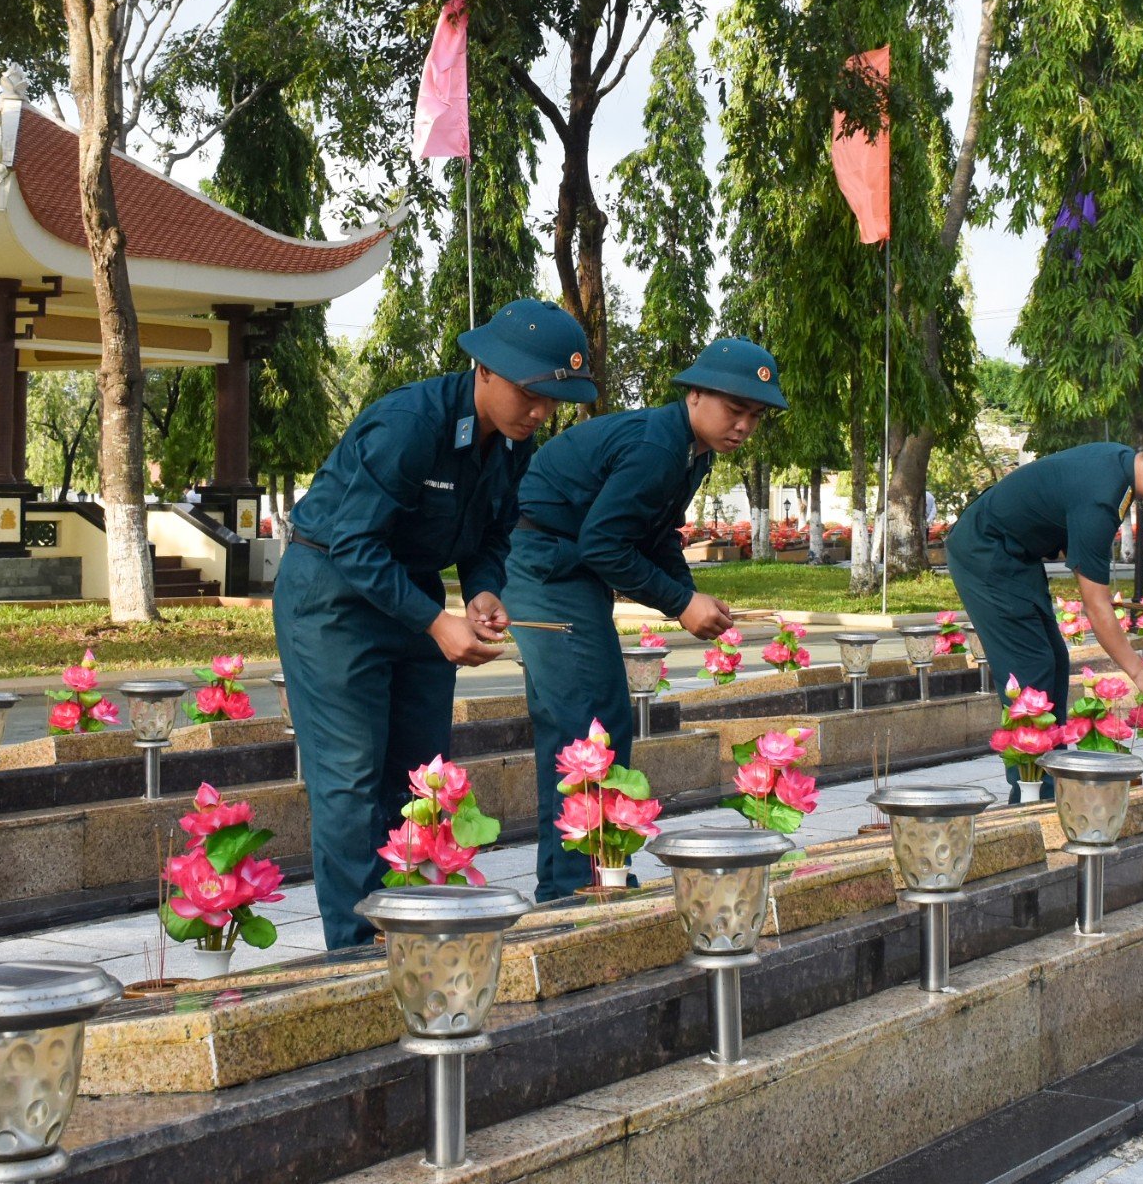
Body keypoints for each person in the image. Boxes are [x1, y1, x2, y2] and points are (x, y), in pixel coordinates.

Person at [272, 298, 594, 946]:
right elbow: (354, 543)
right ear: (484, 370)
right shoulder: (408, 425)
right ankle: (355, 951)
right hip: (331, 593)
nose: (539, 413)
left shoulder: (513, 445)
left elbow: (493, 534)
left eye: (552, 404)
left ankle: (410, 925)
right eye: (531, 395)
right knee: (352, 779)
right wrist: (436, 622)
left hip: (411, 592)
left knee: (420, 774)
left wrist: (480, 593)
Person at [509, 338, 785, 901]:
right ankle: (579, 884)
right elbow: (606, 545)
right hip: (547, 564)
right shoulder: (660, 448)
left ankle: (577, 878)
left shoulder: (691, 450)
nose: (744, 427)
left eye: (755, 416)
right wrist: (681, 605)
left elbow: (651, 536)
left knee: (582, 725)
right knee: (589, 724)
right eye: (735, 410)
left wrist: (688, 594)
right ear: (696, 393)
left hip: (566, 565)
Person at [945, 422, 1143, 764]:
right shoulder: (1101, 499)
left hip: (1013, 554)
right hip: (985, 552)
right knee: (1029, 668)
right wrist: (1140, 673)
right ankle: (1030, 793)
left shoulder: (1119, 465)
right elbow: (1096, 606)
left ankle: (1051, 775)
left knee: (1053, 660)